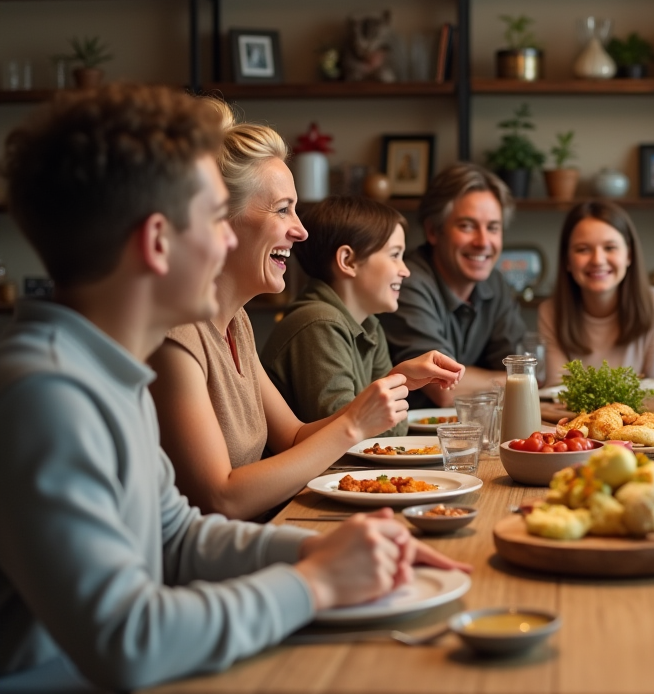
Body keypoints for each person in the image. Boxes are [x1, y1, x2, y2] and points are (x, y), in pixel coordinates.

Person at [0, 84, 468, 691]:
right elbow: (128, 642)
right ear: (158, 241)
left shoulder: (108, 373)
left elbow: (178, 538)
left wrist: (316, 553)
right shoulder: (47, 396)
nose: (224, 241)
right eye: (212, 217)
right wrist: (316, 583)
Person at [148, 108, 461, 521]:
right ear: (219, 219)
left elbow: (295, 436)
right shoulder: (177, 335)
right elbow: (220, 498)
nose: (301, 229)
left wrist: (391, 384)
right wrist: (353, 424)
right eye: (282, 210)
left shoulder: (235, 322)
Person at [260, 196, 465, 433]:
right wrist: (398, 380)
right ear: (348, 261)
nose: (405, 270)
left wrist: (399, 379)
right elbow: (346, 437)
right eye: (395, 255)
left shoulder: (370, 325)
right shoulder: (319, 324)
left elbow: (394, 433)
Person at [378, 164, 526, 408]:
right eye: (467, 226)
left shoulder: (494, 282)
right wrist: (515, 380)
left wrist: (517, 378)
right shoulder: (407, 281)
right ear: (433, 231)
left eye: (493, 228)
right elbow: (443, 388)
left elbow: (523, 368)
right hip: (405, 440)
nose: (483, 242)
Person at [539, 201, 654, 385]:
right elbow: (558, 391)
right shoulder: (551, 312)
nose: (598, 260)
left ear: (629, 255)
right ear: (567, 260)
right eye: (583, 249)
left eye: (610, 248)